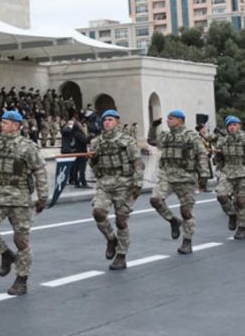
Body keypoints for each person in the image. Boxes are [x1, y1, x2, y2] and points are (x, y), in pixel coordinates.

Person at [0, 110, 48, 295]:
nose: (2, 125)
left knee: (21, 240)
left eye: (7, 122)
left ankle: (21, 279)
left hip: (20, 199)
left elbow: (40, 171)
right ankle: (6, 254)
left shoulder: (28, 147)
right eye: (2, 122)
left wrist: (42, 198)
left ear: (17, 125)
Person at [87, 109, 145, 269]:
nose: (107, 123)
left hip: (124, 183)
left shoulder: (127, 141)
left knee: (121, 221)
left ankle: (121, 255)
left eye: (111, 120)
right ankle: (111, 239)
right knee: (98, 212)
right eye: (105, 120)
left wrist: (138, 183)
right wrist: (93, 159)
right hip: (105, 183)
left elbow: (137, 162)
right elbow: (93, 164)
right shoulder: (96, 142)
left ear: (117, 122)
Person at [148, 109, 212, 254]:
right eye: (167, 118)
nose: (167, 121)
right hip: (167, 176)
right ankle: (173, 221)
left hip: (186, 177)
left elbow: (202, 155)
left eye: (171, 118)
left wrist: (204, 175)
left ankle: (187, 241)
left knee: (186, 211)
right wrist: (153, 127)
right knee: (155, 200)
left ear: (180, 120)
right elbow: (151, 141)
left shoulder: (192, 137)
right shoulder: (165, 136)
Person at [213, 115, 245, 238]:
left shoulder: (243, 138)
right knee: (221, 195)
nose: (232, 127)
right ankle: (232, 214)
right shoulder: (222, 140)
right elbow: (218, 158)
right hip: (227, 172)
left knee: (241, 202)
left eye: (234, 124)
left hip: (242, 172)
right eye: (229, 125)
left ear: (239, 126)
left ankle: (242, 227)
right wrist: (217, 156)